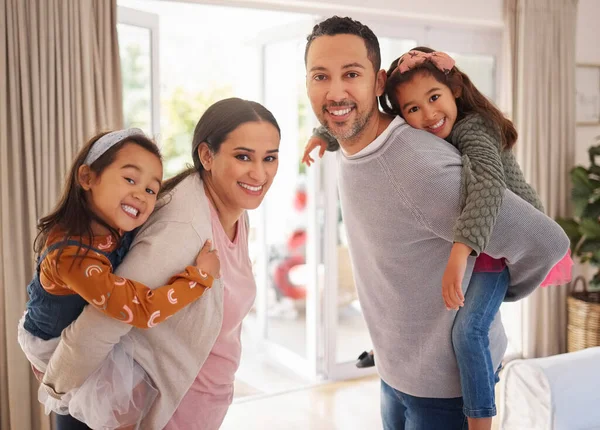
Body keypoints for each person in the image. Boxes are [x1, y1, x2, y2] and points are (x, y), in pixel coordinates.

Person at [304, 16, 569, 429]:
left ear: (377, 83)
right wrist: (322, 134)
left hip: (445, 391)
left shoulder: (421, 167)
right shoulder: (352, 147)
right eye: (321, 75)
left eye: (351, 74)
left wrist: (499, 289)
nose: (335, 90)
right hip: (396, 371)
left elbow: (546, 241)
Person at [37, 98, 281, 430]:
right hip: (148, 416)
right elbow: (104, 321)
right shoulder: (182, 228)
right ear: (207, 156)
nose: (260, 172)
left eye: (270, 158)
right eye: (243, 157)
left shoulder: (234, 210)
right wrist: (56, 390)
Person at [17, 129, 220, 429]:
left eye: (151, 190)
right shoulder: (71, 256)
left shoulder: (112, 222)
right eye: (130, 179)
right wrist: (199, 278)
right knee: (119, 410)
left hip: (81, 323)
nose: (141, 194)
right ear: (87, 178)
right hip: (52, 343)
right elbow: (140, 309)